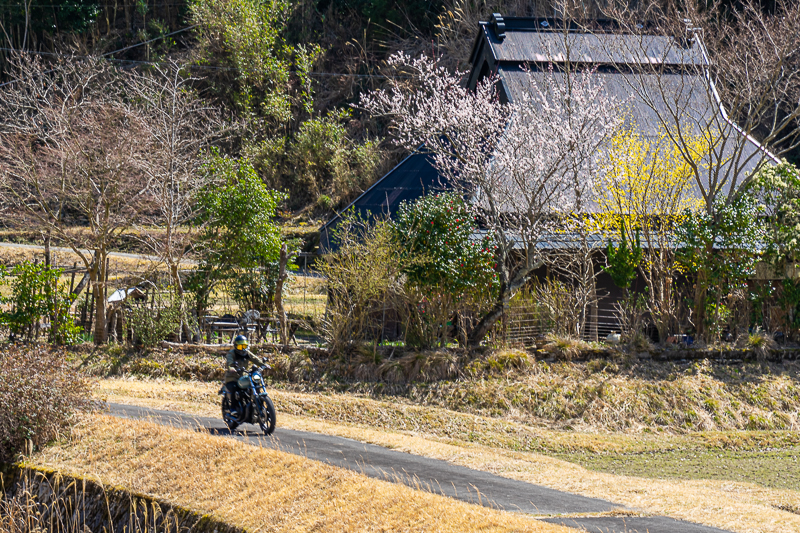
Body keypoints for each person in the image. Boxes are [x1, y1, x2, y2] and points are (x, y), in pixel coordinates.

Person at [224, 335, 265, 417]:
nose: (242, 348)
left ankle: (259, 406)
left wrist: (264, 365)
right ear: (236, 346)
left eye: (244, 346)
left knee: (255, 385)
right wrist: (231, 368)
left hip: (244, 376)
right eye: (240, 346)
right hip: (233, 377)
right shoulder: (232, 353)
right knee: (234, 387)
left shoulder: (246, 352)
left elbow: (255, 359)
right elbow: (229, 362)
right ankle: (233, 408)